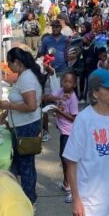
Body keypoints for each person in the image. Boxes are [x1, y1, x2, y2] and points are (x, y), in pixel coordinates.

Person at [63, 69, 109, 216]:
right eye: (108, 88)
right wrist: (76, 200)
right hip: (90, 204)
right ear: (95, 93)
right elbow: (71, 162)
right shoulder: (84, 119)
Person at [0, 47, 44, 204]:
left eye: (9, 63)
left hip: (26, 127)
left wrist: (8, 106)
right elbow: (23, 102)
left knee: (25, 166)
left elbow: (30, 105)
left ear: (17, 62)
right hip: (24, 125)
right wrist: (7, 113)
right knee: (24, 164)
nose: (8, 67)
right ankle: (26, 197)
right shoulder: (25, 76)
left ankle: (29, 200)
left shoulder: (26, 78)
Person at [43, 71, 79, 202]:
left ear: (74, 84)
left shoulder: (73, 99)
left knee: (68, 161)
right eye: (65, 81)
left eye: (70, 82)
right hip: (63, 130)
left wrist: (59, 111)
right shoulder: (61, 91)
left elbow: (74, 118)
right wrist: (58, 99)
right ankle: (66, 184)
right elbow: (48, 97)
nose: (66, 84)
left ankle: (72, 190)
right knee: (63, 158)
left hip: (69, 133)